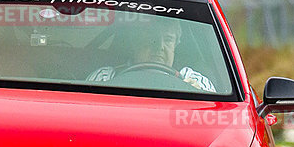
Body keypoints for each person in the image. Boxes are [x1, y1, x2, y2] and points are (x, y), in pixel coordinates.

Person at [86, 16, 217, 90]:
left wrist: (195, 94)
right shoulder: (105, 77)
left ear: (176, 45)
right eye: (151, 39)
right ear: (135, 42)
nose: (159, 47)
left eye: (168, 40)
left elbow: (211, 118)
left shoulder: (194, 80)